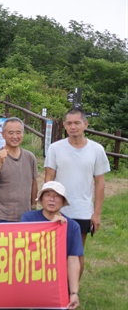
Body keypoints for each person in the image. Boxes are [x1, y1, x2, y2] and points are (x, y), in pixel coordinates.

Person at [44, 108, 110, 275]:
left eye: (77, 123)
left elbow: (100, 183)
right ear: (65, 125)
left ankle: (72, 290)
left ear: (85, 124)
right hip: (58, 210)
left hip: (82, 209)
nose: (73, 126)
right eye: (69, 123)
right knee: (54, 252)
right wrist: (48, 208)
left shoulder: (96, 150)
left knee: (77, 252)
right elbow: (49, 178)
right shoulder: (55, 148)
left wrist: (97, 213)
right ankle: (55, 288)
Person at [20, 181, 83, 310]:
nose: (52, 199)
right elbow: (23, 249)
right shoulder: (28, 218)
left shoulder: (72, 226)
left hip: (54, 283)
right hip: (29, 279)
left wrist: (74, 293)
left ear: (63, 201)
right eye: (48, 195)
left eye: (57, 196)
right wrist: (50, 228)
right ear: (41, 199)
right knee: (0, 309)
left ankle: (43, 303)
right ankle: (32, 300)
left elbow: (73, 260)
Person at [0, 117, 38, 222]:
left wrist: (33, 206)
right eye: (10, 133)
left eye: (18, 133)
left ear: (23, 134)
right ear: (3, 134)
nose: (15, 136)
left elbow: (34, 182)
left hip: (24, 215)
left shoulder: (30, 157)